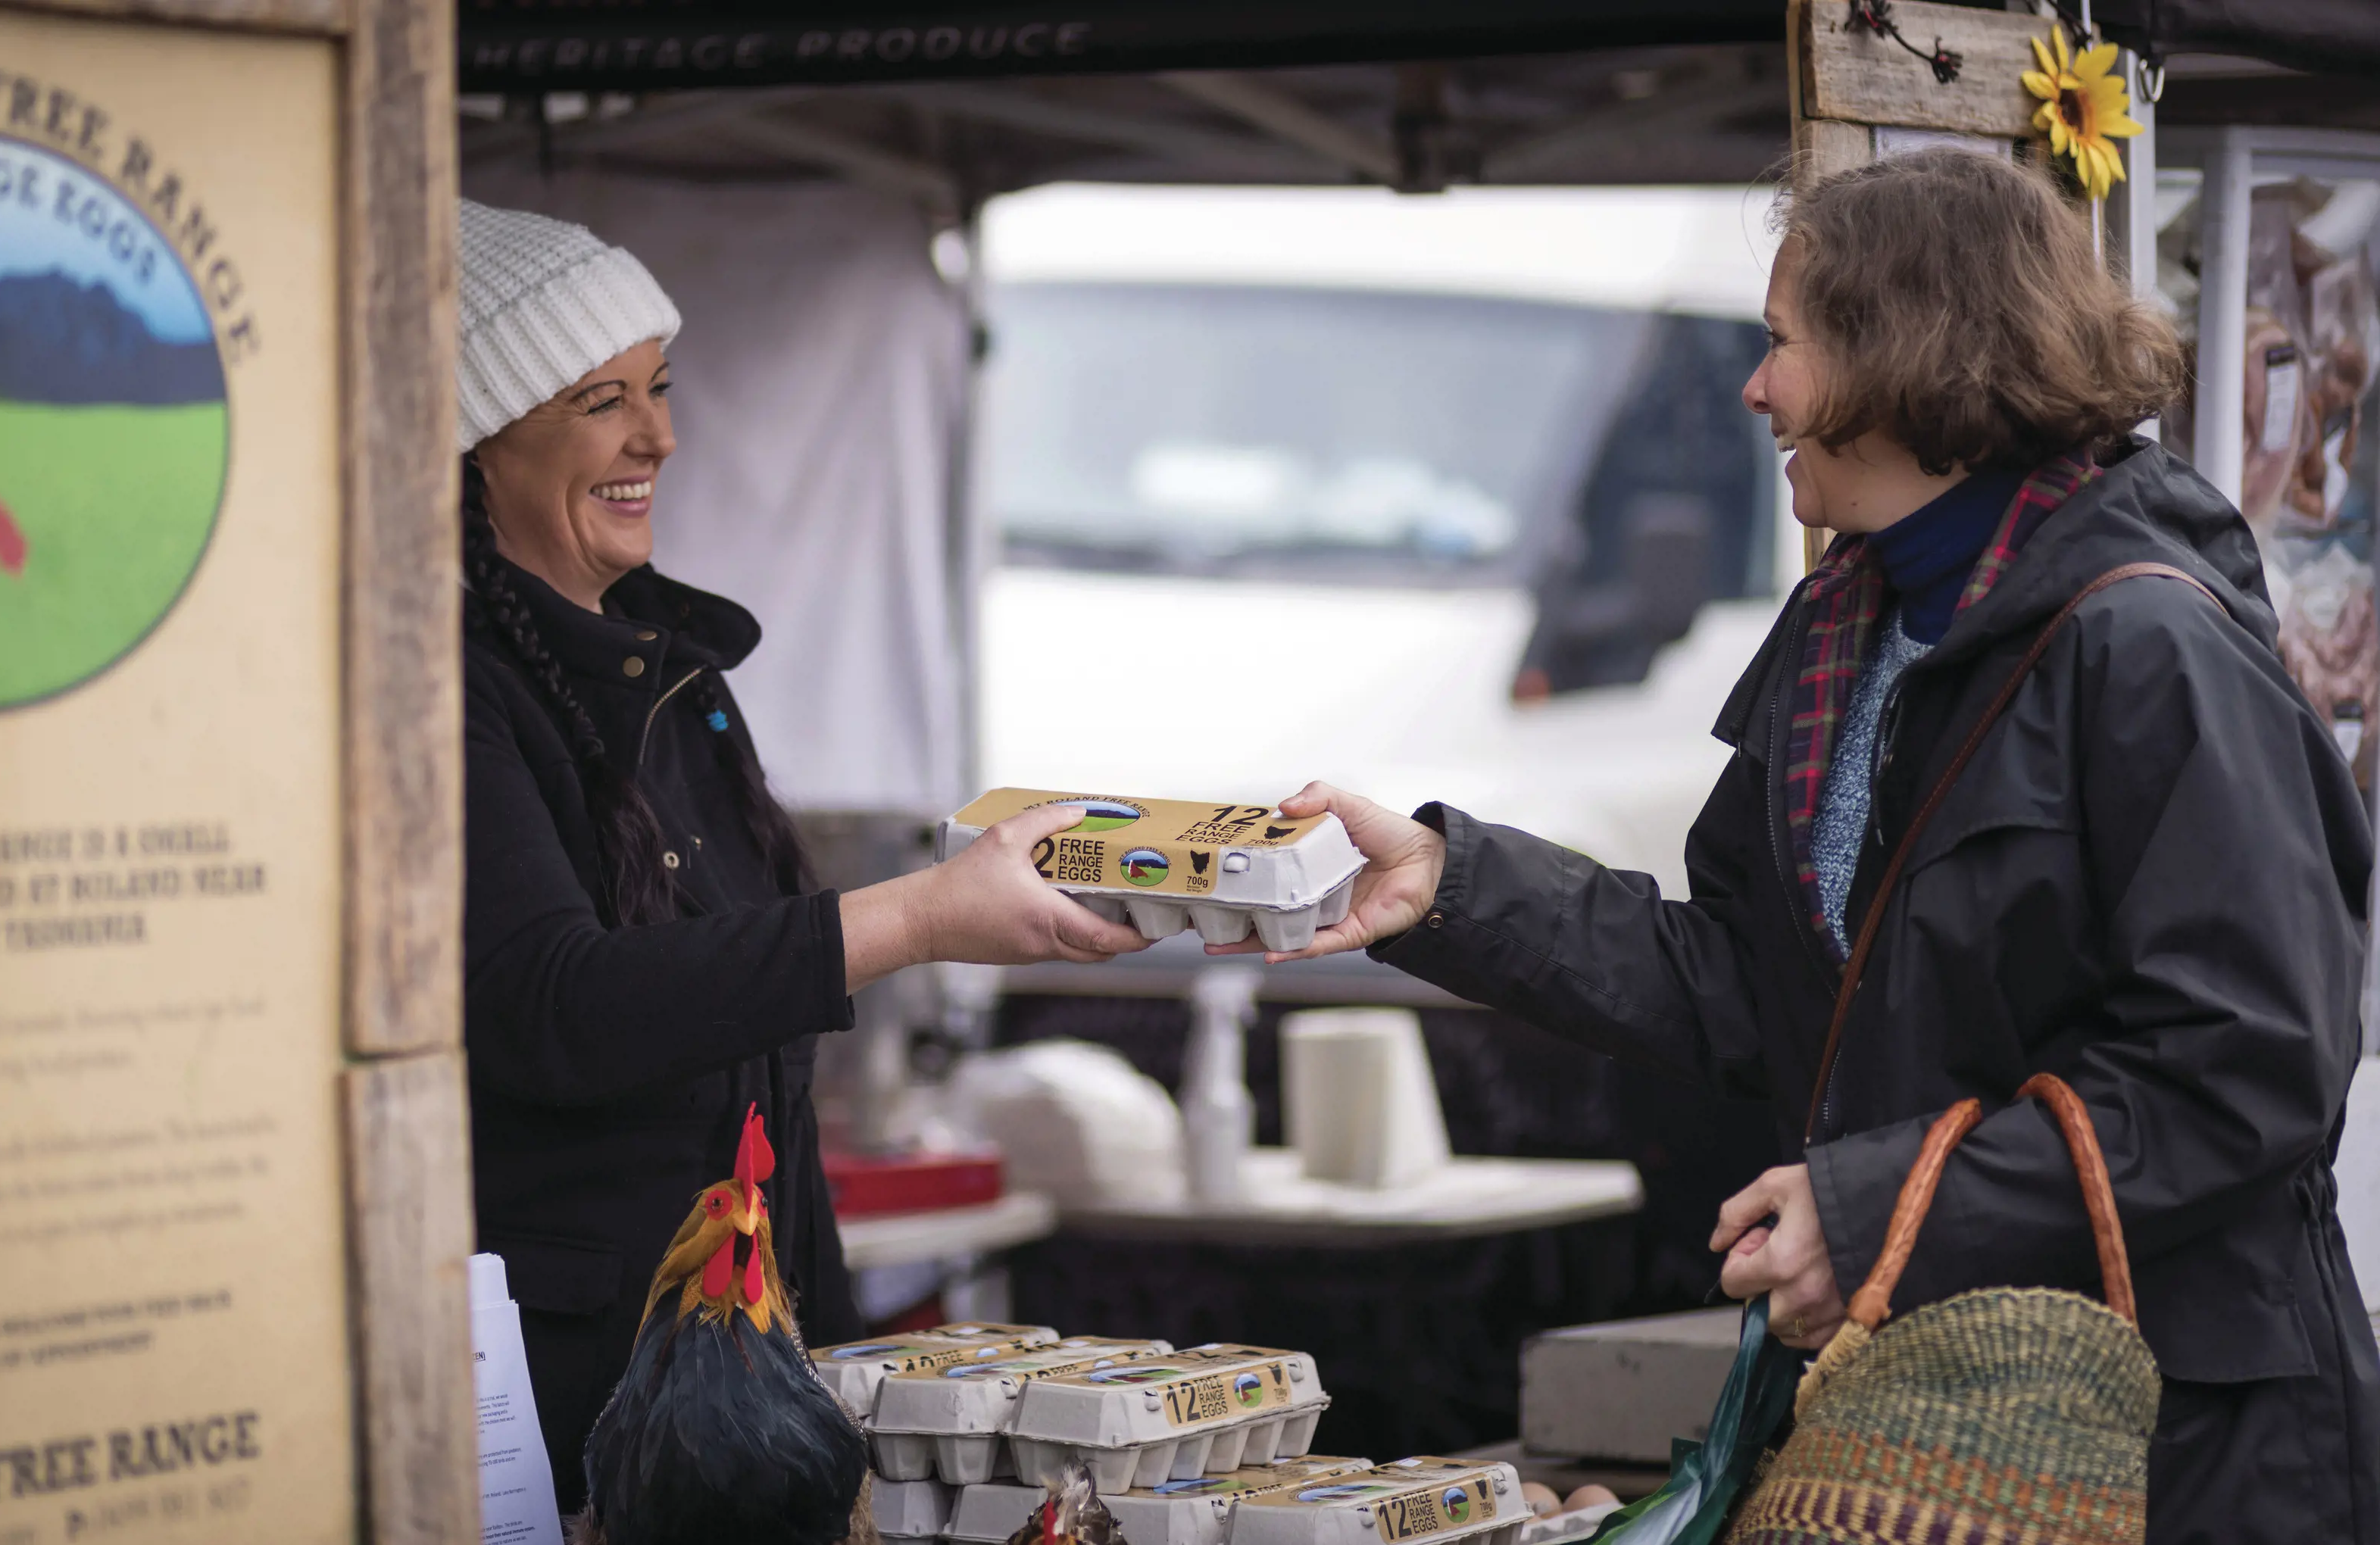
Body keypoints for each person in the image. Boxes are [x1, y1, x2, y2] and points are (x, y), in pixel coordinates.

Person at [1242, 151, 2379, 1536]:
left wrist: (1882, 1206)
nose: (1753, 388)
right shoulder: (1844, 624)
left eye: (1783, 344)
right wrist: (1452, 887)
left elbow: (2245, 1068)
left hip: (2189, 1455)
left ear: (1907, 354)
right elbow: (1748, 987)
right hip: (1929, 1432)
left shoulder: (2150, 644)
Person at [451, 199, 1148, 1506]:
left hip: (743, 1383)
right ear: (474, 444)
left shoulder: (677, 678)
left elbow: (758, 1071)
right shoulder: (443, 680)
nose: (657, 435)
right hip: (571, 1412)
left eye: (657, 391)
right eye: (601, 401)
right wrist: (924, 918)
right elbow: (554, 1007)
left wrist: (826, 1374)